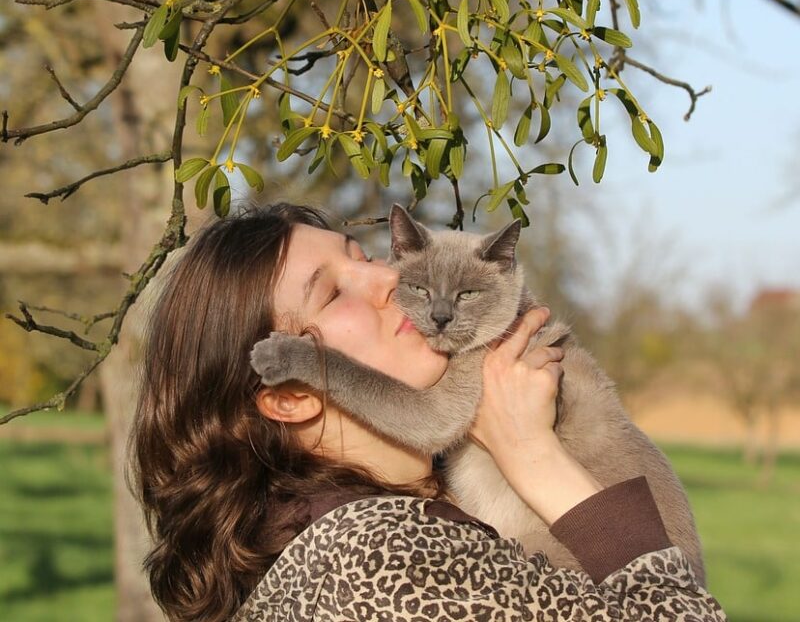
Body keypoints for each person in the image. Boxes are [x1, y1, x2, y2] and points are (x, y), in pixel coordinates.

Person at [131, 203, 726, 622]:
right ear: (288, 393)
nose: (386, 279)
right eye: (334, 292)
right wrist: (535, 456)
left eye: (363, 255)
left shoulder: (347, 529)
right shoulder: (374, 563)